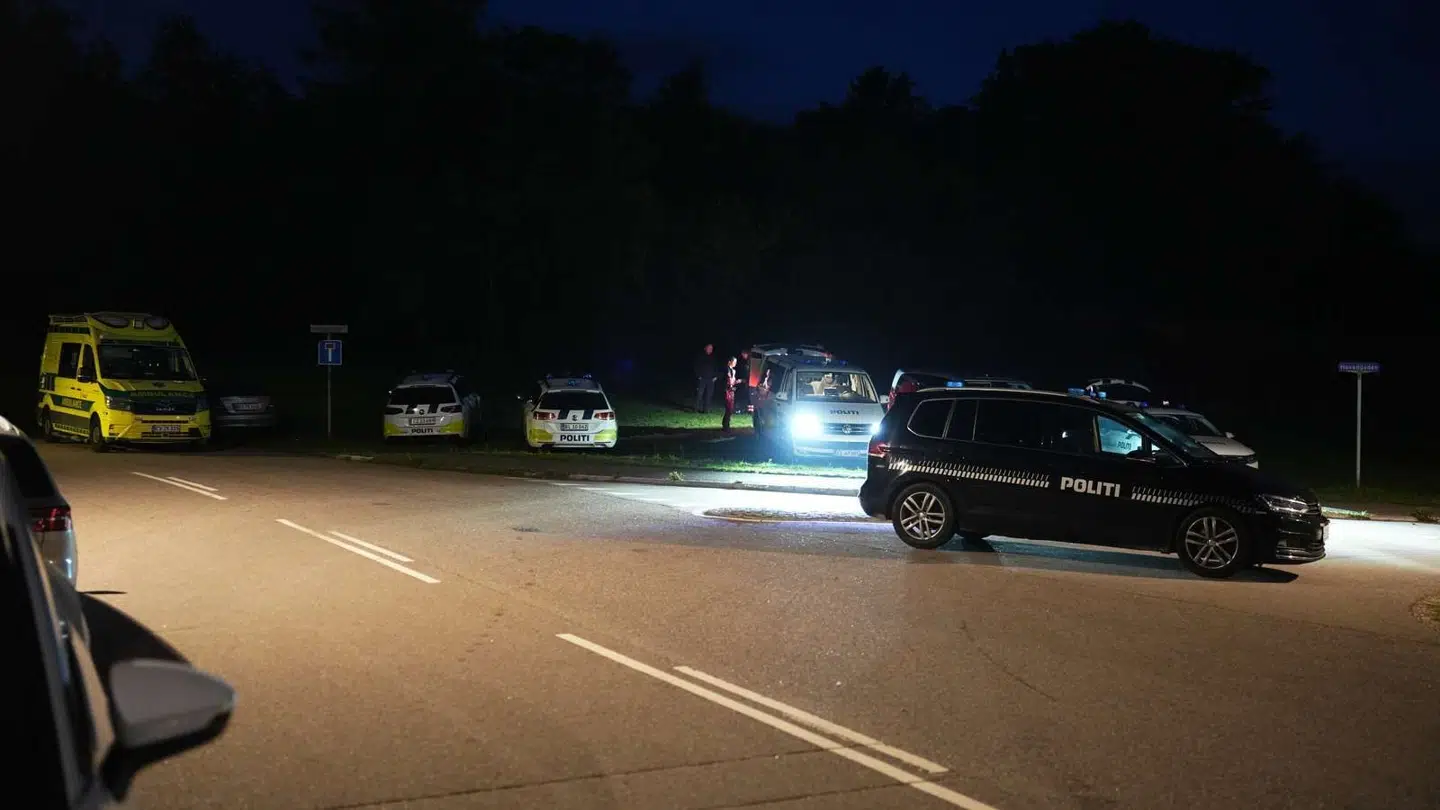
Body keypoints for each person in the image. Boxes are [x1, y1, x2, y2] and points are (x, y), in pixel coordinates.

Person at [693, 343, 716, 413]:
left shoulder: (714, 357)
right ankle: (696, 409)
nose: (710, 349)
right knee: (700, 394)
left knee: (709, 395)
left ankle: (706, 410)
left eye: (711, 348)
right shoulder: (700, 356)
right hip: (702, 378)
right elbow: (696, 366)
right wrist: (698, 376)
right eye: (709, 348)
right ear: (705, 348)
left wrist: (716, 377)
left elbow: (717, 368)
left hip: (711, 379)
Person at [720, 356, 739, 432]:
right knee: (728, 408)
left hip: (731, 391)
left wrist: (737, 382)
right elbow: (726, 380)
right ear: (729, 362)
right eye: (734, 362)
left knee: (730, 409)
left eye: (736, 362)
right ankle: (726, 425)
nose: (735, 363)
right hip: (727, 391)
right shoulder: (726, 370)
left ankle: (726, 424)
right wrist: (729, 385)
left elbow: (732, 381)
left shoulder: (733, 371)